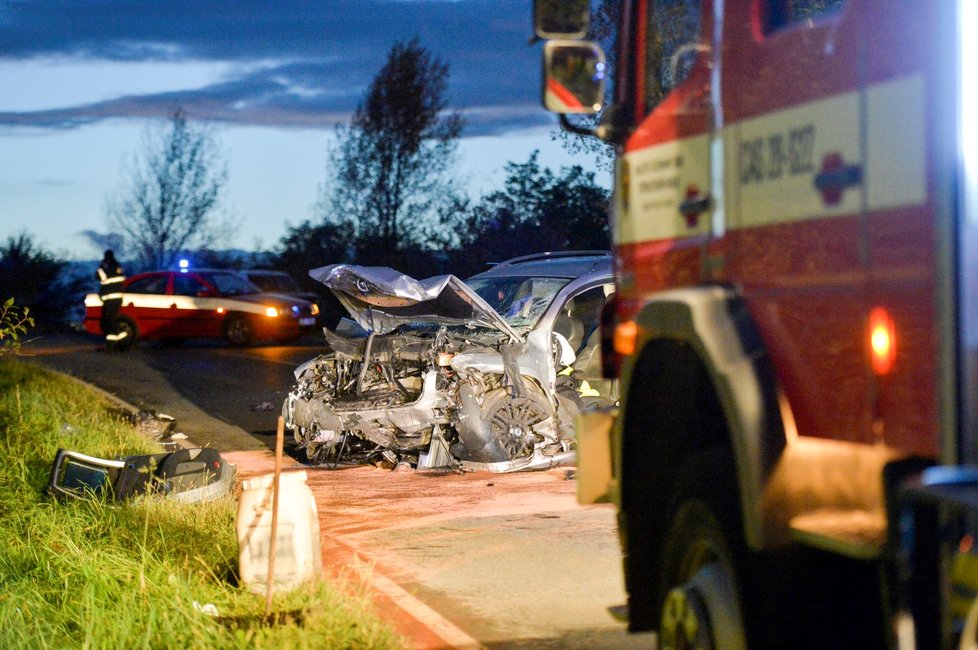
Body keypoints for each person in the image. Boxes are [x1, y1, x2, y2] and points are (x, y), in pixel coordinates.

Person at [96, 250, 128, 350]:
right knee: (111, 320)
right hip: (117, 298)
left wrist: (100, 266)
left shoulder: (106, 267)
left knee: (108, 320)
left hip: (110, 298)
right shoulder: (118, 266)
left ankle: (118, 341)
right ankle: (117, 343)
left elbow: (99, 276)